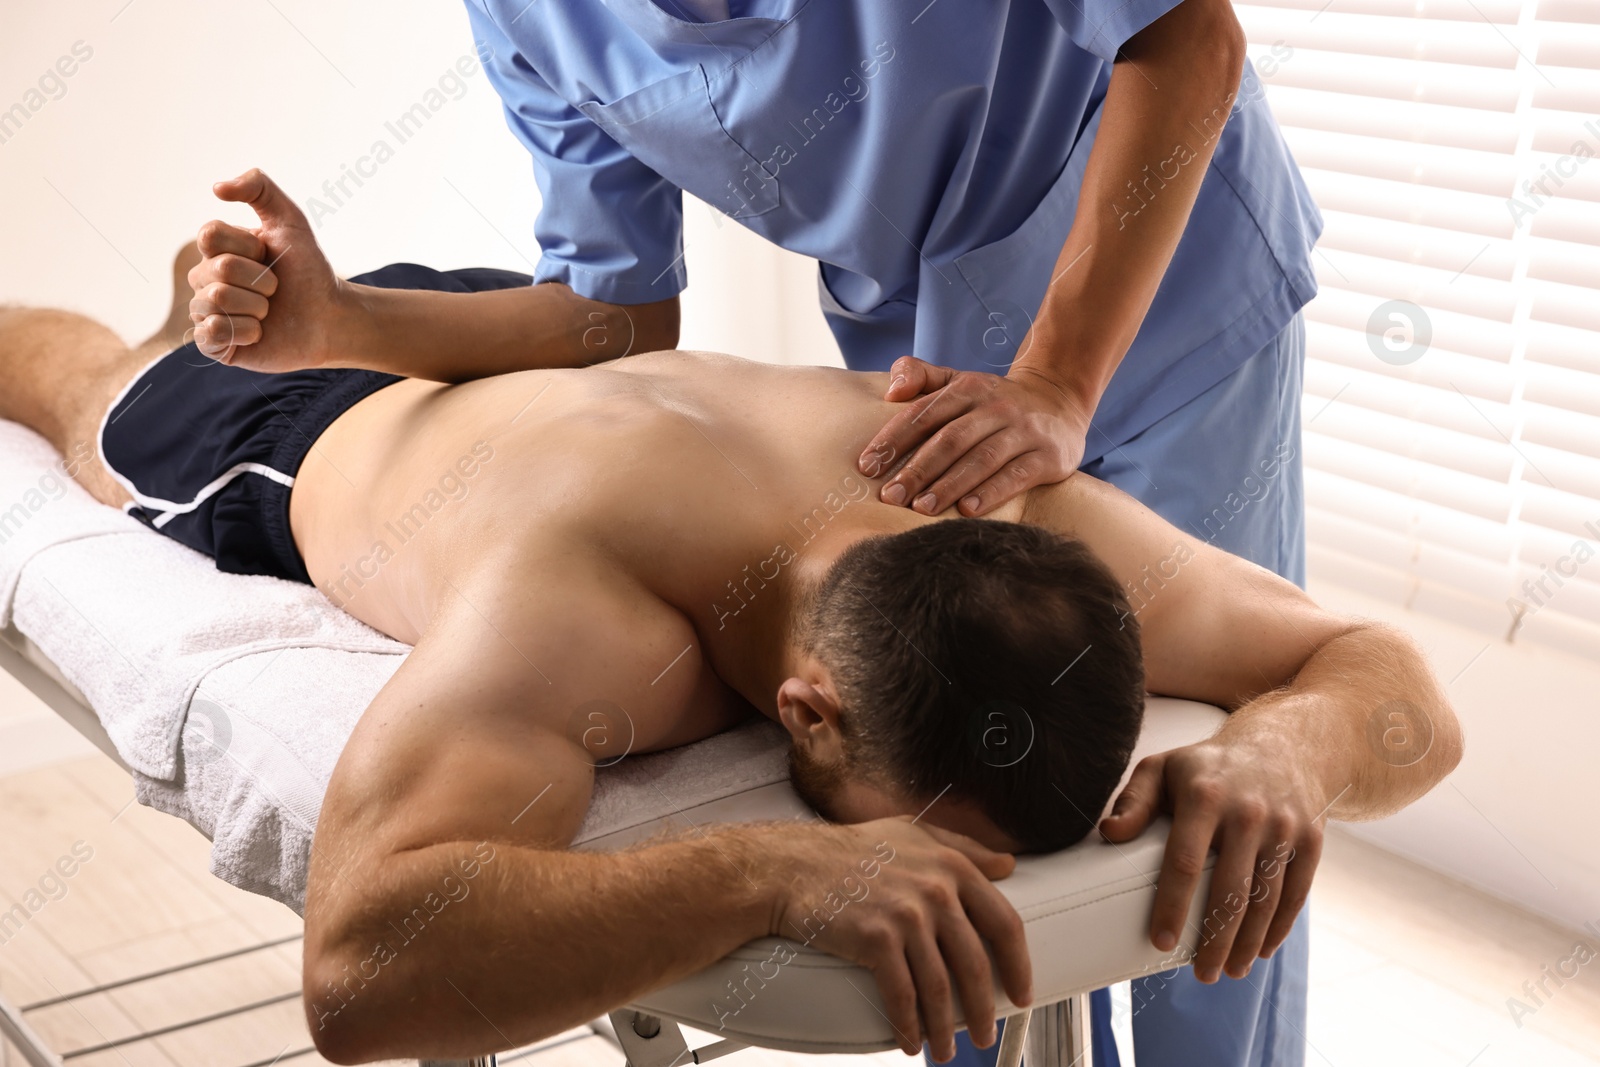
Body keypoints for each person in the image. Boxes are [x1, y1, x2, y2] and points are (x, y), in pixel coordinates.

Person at [1, 250, 1455, 1066]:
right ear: (807, 714)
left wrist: (1284, 745)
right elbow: (361, 972)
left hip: (531, 337)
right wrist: (765, 870)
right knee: (81, 389)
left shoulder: (1008, 505)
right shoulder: (581, 613)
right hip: (312, 424)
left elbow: (1381, 673)